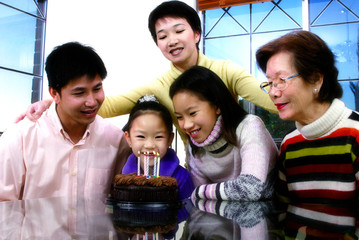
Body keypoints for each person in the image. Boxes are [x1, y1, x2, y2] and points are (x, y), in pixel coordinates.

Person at [16, 0, 277, 145]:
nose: (172, 40)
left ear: (196, 34)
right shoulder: (159, 85)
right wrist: (52, 100)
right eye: (162, 36)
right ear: (158, 44)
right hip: (200, 174)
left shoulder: (226, 70)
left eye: (179, 30)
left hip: (242, 164)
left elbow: (271, 99)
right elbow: (105, 105)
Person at [0, 42, 130, 201]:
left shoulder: (115, 140)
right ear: (54, 93)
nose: (92, 101)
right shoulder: (19, 138)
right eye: (79, 93)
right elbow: (4, 209)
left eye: (97, 89)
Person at [255, 30, 359, 208]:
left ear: (315, 79)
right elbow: (283, 214)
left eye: (281, 80)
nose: (273, 92)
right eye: (270, 83)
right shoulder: (289, 144)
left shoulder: (356, 135)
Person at [169, 66, 278, 201]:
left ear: (217, 106)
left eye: (192, 113)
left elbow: (251, 188)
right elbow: (202, 203)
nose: (186, 125)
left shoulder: (249, 127)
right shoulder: (193, 147)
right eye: (179, 117)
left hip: (272, 215)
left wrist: (200, 191)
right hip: (223, 216)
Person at [121, 94, 194, 200]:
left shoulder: (182, 178)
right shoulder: (124, 178)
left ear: (170, 139)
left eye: (158, 137)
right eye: (141, 136)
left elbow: (189, 213)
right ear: (128, 138)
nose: (149, 145)